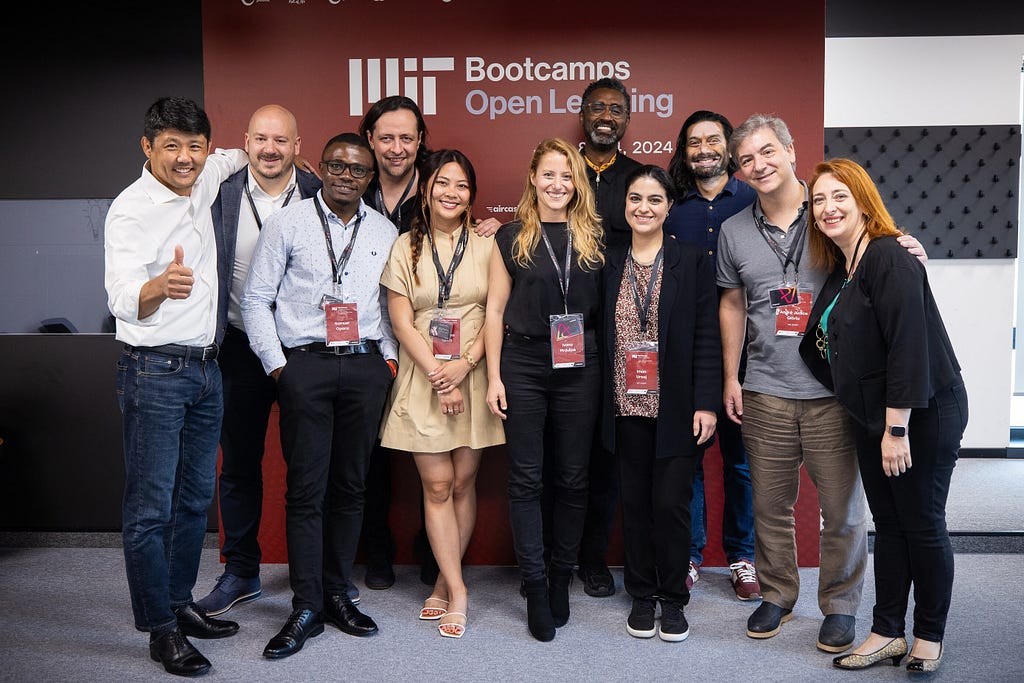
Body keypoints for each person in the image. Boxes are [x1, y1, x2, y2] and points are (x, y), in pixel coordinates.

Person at [718, 114, 927, 652]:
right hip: (764, 388)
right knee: (770, 505)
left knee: (843, 510)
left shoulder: (829, 209)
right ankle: (778, 594)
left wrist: (909, 250)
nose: (759, 165)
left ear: (790, 150)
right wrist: (730, 376)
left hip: (836, 392)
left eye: (768, 152)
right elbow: (733, 302)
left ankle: (838, 605)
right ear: (738, 171)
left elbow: (876, 253)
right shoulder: (734, 231)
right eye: (746, 160)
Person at [798, 158, 967, 673]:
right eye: (820, 200)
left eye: (839, 197)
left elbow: (907, 350)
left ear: (862, 199)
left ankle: (929, 635)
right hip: (875, 417)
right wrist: (859, 401)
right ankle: (887, 630)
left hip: (921, 414)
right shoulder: (846, 264)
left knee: (921, 524)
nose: (828, 208)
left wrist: (896, 428)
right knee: (889, 526)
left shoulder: (888, 257)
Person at [104, 96, 247, 676]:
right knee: (149, 510)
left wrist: (297, 159)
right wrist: (161, 285)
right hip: (154, 372)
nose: (186, 158)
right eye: (172, 146)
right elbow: (119, 299)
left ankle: (180, 602)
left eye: (195, 146)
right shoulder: (131, 211)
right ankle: (159, 629)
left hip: (207, 370)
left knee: (193, 501)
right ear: (147, 147)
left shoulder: (208, 172)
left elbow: (245, 154)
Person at [241, 133, 397, 659]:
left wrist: (389, 360)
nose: (345, 176)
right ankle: (305, 605)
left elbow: (390, 302)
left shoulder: (384, 230)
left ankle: (336, 593)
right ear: (321, 169)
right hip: (304, 365)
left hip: (363, 367)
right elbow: (257, 299)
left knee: (351, 488)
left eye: (357, 170)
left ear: (369, 178)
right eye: (336, 166)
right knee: (306, 491)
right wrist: (279, 367)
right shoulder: (289, 222)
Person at [196, 104, 326, 617]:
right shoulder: (221, 195)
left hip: (301, 351)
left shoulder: (322, 194)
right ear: (245, 143)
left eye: (281, 140)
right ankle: (241, 572)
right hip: (239, 348)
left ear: (298, 146)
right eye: (261, 139)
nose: (270, 149)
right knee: (239, 467)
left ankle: (313, 579)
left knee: (309, 468)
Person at [379, 149, 505, 638]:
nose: (452, 193)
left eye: (462, 186)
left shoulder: (486, 244)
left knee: (462, 484)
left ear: (471, 195)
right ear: (425, 190)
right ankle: (459, 589)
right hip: (424, 375)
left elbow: (496, 313)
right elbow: (399, 319)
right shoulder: (404, 245)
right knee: (435, 485)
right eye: (443, 184)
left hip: (473, 372)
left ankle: (441, 582)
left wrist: (465, 364)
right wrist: (438, 373)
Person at [484, 138, 604, 642]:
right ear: (533, 178)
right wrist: (493, 376)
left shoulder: (597, 238)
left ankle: (560, 576)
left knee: (575, 479)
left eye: (567, 175)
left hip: (582, 364)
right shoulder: (510, 237)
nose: (558, 184)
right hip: (525, 362)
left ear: (578, 183)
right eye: (549, 174)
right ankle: (534, 584)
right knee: (526, 480)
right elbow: (493, 311)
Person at [600, 165, 721, 642]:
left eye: (654, 199)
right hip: (624, 405)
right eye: (635, 198)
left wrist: (707, 403)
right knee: (635, 503)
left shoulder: (689, 260)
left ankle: (673, 599)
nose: (643, 208)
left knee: (671, 504)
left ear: (669, 207)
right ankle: (642, 594)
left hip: (676, 406)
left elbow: (708, 336)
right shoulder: (609, 261)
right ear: (624, 205)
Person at [664, 110, 760, 600]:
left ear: (728, 147)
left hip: (747, 354)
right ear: (684, 150)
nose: (704, 149)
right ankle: (690, 554)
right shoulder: (669, 205)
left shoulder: (753, 199)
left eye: (713, 140)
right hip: (686, 354)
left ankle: (742, 556)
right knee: (691, 460)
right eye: (694, 142)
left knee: (741, 464)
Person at [572, 77, 643, 598]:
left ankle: (592, 558)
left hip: (621, 332)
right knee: (562, 453)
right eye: (597, 108)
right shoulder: (560, 171)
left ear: (626, 119)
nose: (605, 116)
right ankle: (556, 556)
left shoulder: (638, 178)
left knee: (607, 455)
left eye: (615, 110)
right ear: (582, 113)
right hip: (563, 328)